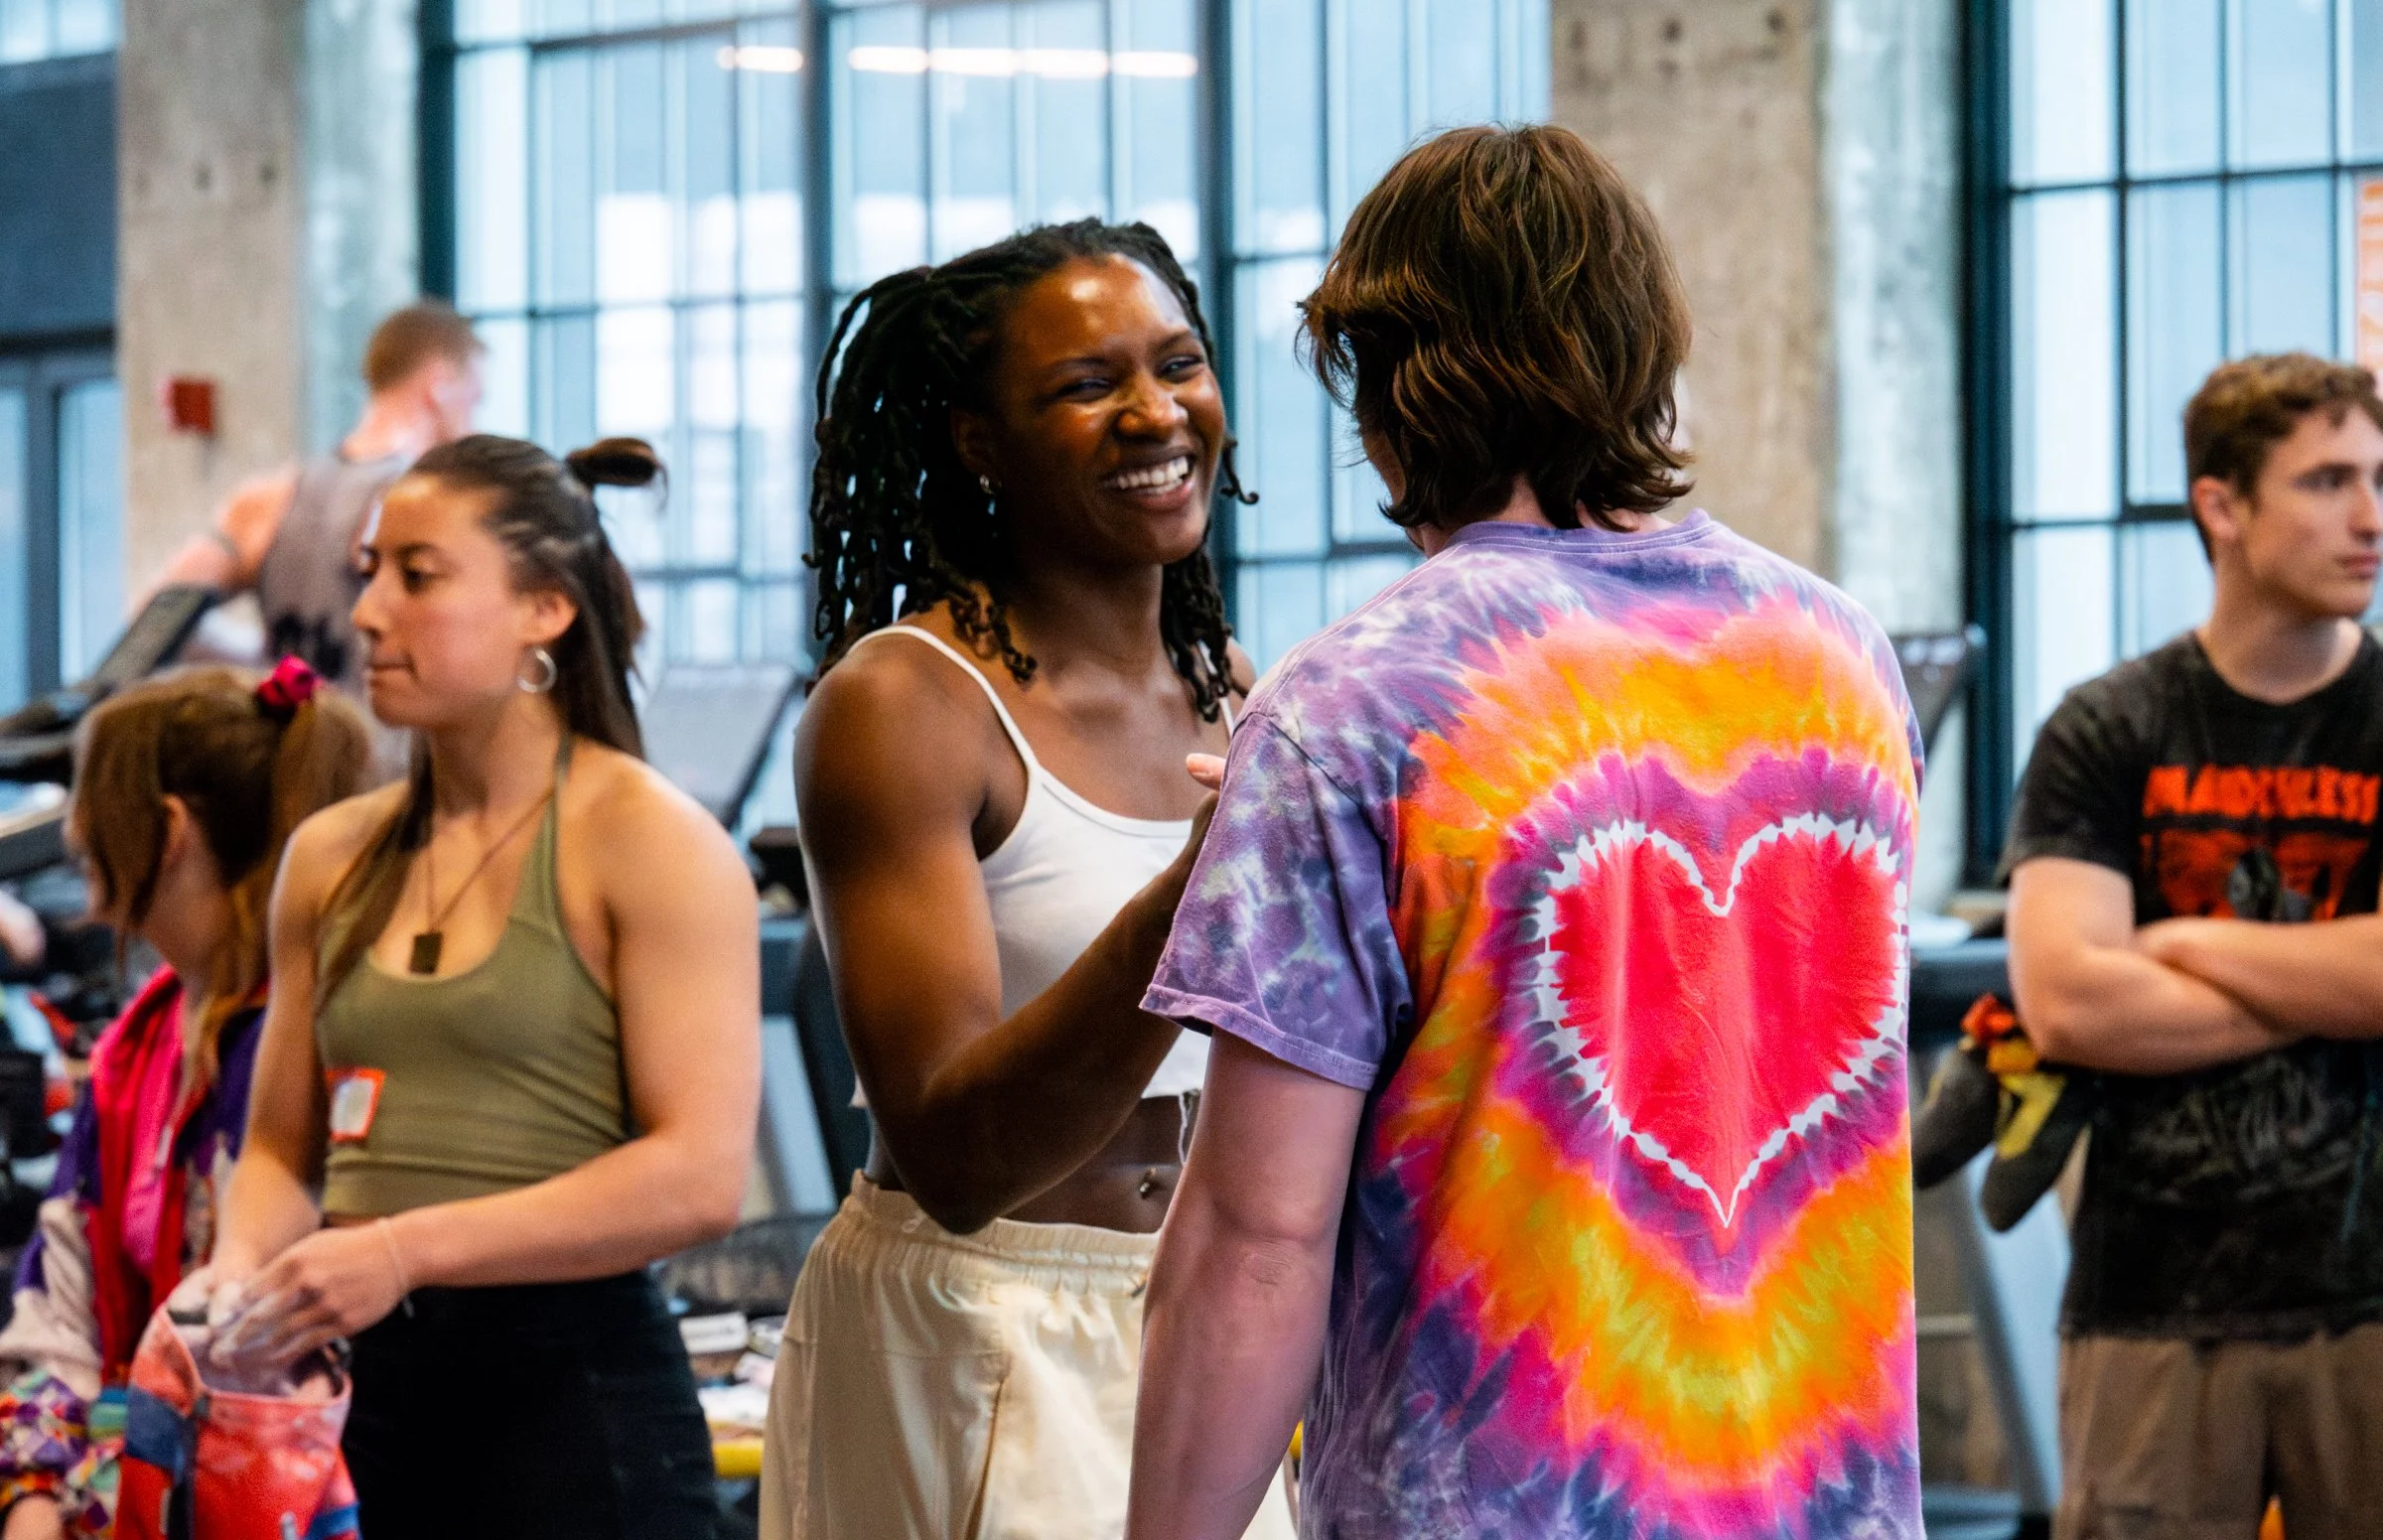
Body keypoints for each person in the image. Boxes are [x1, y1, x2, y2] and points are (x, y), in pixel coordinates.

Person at [1125, 125, 1926, 1538]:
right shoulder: (1838, 659)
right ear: (1642, 348)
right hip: (1820, 1501)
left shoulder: (1356, 704)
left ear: (1386, 383)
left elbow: (1260, 1237)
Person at [758, 218, 1292, 1539]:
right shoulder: (901, 705)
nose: (1155, 412)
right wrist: (1195, 890)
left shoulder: (1228, 683)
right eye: (1088, 385)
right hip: (985, 1319)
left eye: (1179, 364)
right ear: (978, 443)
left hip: (1199, 1301)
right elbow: (955, 1157)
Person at [201, 435, 762, 1540]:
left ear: (545, 610)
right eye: (370, 571)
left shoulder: (649, 841)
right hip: (367, 1406)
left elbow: (698, 1178)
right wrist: (233, 1277)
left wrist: (403, 1250)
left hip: (576, 1413)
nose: (369, 613)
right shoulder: (331, 857)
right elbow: (278, 1149)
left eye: (418, 576)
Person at [2001, 352, 2383, 1537]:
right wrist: (2330, 974)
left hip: (2370, 1300)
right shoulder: (2108, 728)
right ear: (2221, 504)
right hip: (2150, 1305)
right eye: (2326, 481)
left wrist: (2177, 941)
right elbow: (2072, 1003)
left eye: (2377, 478)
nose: (2370, 517)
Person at [0, 660, 371, 1539]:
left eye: (90, 799)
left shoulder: (300, 1048)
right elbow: (58, 1301)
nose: (74, 830)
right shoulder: (139, 1044)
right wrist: (34, 1496)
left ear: (166, 829)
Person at [155, 301, 485, 775]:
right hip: (381, 778)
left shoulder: (268, 501)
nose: (474, 421)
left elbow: (160, 621)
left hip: (286, 770)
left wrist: (277, 674)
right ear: (440, 384)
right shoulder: (423, 500)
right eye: (475, 399)